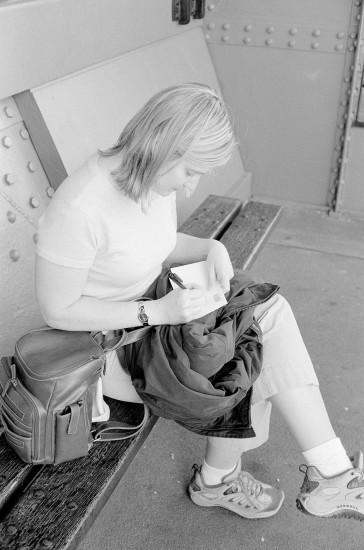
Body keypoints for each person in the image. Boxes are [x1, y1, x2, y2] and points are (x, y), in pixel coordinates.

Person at [35, 83, 364, 521]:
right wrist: (157, 312)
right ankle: (244, 479)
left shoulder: (148, 179)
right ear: (164, 148)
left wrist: (211, 249)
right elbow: (56, 311)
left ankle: (323, 474)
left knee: (260, 320)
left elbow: (157, 243)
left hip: (156, 316)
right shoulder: (79, 208)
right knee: (246, 350)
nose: (190, 186)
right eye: (191, 171)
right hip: (111, 350)